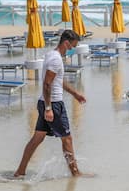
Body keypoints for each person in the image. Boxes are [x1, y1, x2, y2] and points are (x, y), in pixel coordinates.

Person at [14, 30, 86, 177]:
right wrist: (48, 108)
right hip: (53, 104)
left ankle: (20, 172)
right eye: (72, 46)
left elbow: (58, 81)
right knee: (67, 139)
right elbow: (47, 84)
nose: (72, 50)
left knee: (37, 138)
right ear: (66, 43)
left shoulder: (52, 55)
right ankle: (76, 174)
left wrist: (75, 94)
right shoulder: (56, 59)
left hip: (46, 102)